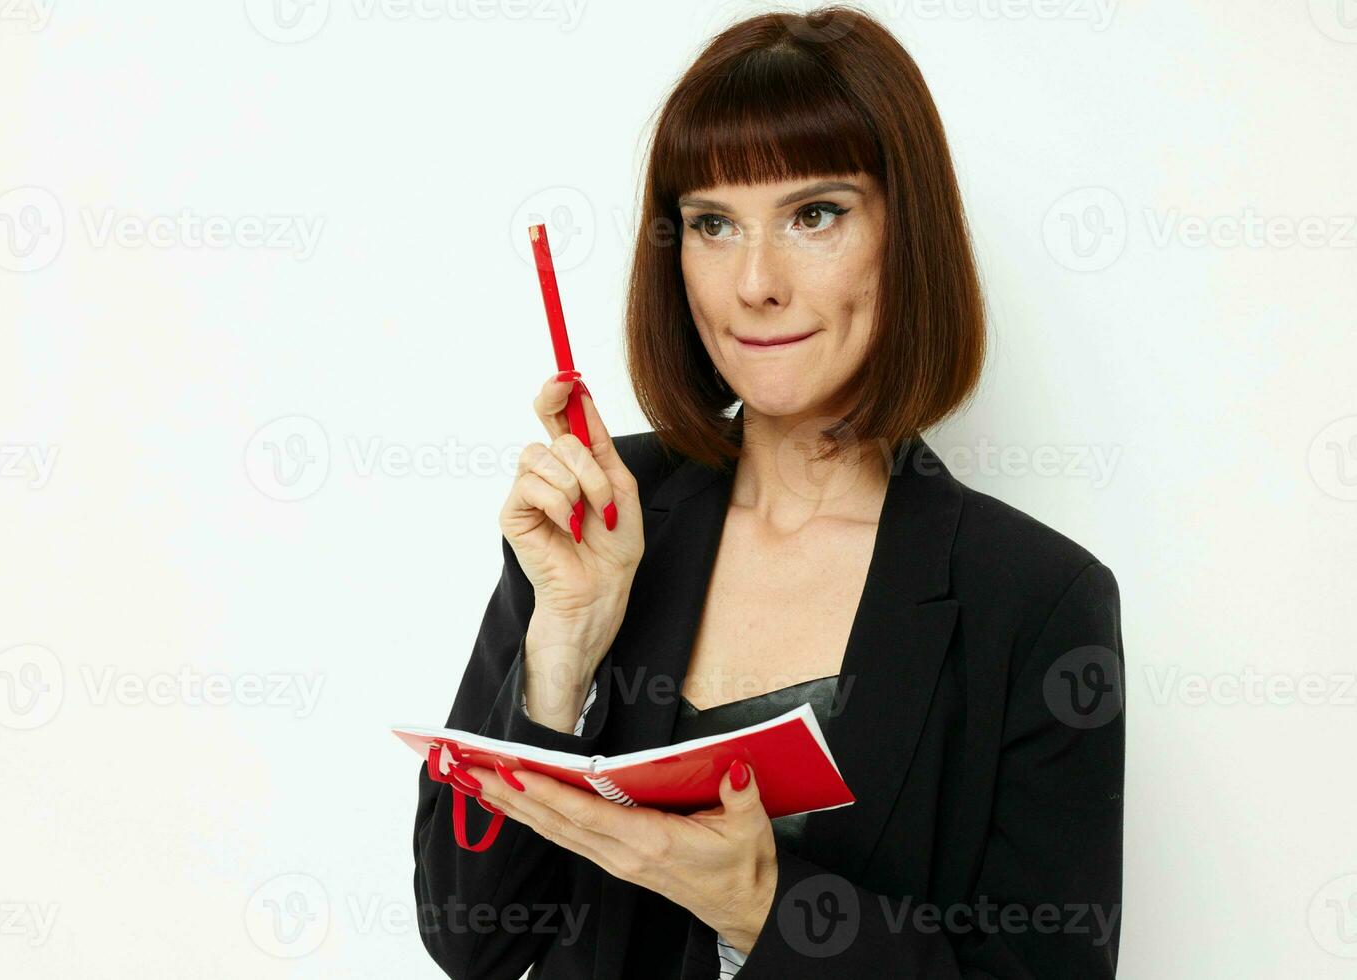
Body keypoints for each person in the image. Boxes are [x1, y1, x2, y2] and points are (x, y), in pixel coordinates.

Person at [413, 6, 1124, 977]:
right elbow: (475, 940)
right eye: (712, 223)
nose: (754, 281)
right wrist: (563, 645)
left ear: (902, 237)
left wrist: (761, 904)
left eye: (814, 214)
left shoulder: (1036, 600)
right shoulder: (599, 517)